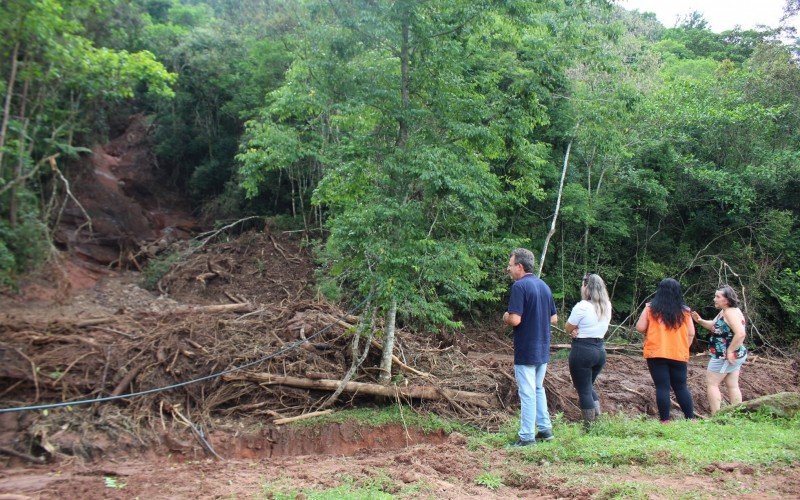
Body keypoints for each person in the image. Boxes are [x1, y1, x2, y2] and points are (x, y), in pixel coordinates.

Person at [503, 248, 558, 446]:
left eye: (510, 265)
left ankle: (526, 437)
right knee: (537, 389)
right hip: (543, 346)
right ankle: (545, 430)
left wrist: (506, 316)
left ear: (519, 266)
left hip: (526, 347)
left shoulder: (519, 287)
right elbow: (554, 318)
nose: (508, 269)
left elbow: (515, 320)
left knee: (527, 392)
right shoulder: (544, 286)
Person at [635, 278, 695, 422]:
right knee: (681, 387)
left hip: (656, 353)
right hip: (678, 353)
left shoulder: (650, 308)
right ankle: (690, 419)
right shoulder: (685, 311)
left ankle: (665, 421)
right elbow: (691, 333)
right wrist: (684, 348)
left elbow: (640, 328)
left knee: (662, 387)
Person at [691, 285, 748, 415]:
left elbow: (740, 334)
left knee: (712, 384)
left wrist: (729, 351)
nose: (714, 299)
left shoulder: (729, 313)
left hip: (724, 356)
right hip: (735, 353)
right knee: (732, 385)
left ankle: (716, 416)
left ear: (726, 300)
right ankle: (738, 414)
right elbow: (714, 326)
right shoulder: (727, 311)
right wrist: (699, 321)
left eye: (718, 297)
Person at [565, 273, 611, 427]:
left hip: (582, 350)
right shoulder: (606, 306)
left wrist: (574, 329)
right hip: (600, 350)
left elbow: (568, 327)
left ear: (586, 287)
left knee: (583, 390)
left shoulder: (582, 306)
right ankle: (597, 418)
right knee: (587, 386)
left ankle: (589, 426)